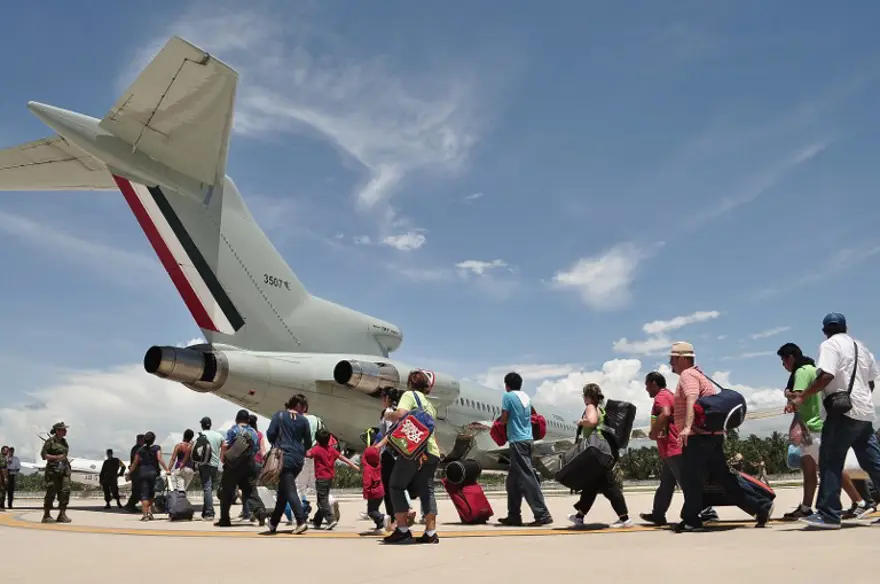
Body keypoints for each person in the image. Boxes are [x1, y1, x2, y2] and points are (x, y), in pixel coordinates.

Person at [670, 341, 773, 533]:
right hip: (712, 437)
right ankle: (761, 506)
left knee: (691, 478)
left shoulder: (688, 375)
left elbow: (692, 399)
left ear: (683, 359)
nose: (670, 363)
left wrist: (686, 428)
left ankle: (692, 520)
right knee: (725, 479)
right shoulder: (701, 375)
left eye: (673, 359)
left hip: (697, 437)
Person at [794, 313, 880, 529]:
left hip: (842, 413)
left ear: (825, 330)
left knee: (830, 461)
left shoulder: (829, 346)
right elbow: (870, 383)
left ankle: (828, 514)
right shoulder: (862, 348)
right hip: (865, 414)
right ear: (846, 328)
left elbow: (826, 376)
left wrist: (803, 396)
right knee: (873, 463)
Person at [381, 370, 442, 544]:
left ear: (410, 383)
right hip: (431, 451)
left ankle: (402, 530)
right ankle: (431, 533)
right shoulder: (429, 405)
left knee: (396, 485)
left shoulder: (409, 395)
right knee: (427, 490)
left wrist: (388, 414)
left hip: (415, 450)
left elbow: (401, 414)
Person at [569, 383, 632, 528]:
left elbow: (592, 421)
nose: (583, 399)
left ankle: (625, 519)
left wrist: (581, 421)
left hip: (596, 452)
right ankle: (579, 516)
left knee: (609, 486)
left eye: (584, 395)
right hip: (601, 451)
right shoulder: (601, 409)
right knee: (592, 485)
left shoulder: (590, 407)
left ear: (588, 396)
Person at [498, 371, 552, 527]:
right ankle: (513, 515)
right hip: (528, 440)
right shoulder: (527, 398)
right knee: (512, 481)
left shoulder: (508, 396)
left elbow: (505, 418)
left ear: (507, 385)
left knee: (528, 478)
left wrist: (499, 421)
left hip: (517, 441)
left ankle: (542, 514)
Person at [640, 372, 683, 525]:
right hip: (670, 448)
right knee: (666, 483)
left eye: (647, 385)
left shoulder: (661, 397)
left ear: (653, 383)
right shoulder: (670, 395)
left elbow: (665, 413)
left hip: (673, 447)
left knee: (685, 482)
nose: (646, 389)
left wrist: (653, 432)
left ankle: (706, 512)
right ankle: (658, 514)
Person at [266, 396, 313, 533]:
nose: (305, 410)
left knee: (290, 490)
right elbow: (308, 442)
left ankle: (301, 520)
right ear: (298, 405)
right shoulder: (303, 420)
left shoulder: (279, 416)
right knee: (283, 491)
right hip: (298, 459)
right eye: (304, 406)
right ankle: (274, 522)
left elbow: (270, 434)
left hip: (283, 457)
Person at [306, 428, 358, 529]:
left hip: (321, 478)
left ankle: (331, 519)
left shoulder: (317, 449)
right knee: (321, 500)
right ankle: (317, 521)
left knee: (322, 501)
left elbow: (308, 455)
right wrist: (353, 465)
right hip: (329, 478)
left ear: (317, 440)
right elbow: (341, 457)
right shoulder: (331, 449)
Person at [217, 410, 260, 527]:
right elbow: (257, 448)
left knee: (227, 491)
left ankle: (224, 519)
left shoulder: (233, 430)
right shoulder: (254, 432)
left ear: (236, 419)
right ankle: (260, 512)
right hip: (250, 463)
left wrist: (224, 457)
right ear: (248, 420)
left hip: (234, 464)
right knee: (250, 490)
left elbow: (226, 445)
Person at [126, 431, 170, 521]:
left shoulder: (139, 450)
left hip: (142, 473)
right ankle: (150, 513)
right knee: (151, 494)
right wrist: (167, 469)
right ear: (153, 440)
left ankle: (145, 515)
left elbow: (135, 463)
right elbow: (160, 459)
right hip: (153, 473)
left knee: (144, 495)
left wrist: (129, 473)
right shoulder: (157, 448)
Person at [41, 422, 73, 524]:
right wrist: (56, 458)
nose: (65, 431)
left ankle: (62, 514)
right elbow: (44, 455)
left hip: (64, 470)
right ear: (57, 431)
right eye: (63, 429)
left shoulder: (64, 442)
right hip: (53, 471)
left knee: (65, 490)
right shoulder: (50, 442)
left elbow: (65, 454)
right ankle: (46, 515)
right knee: (51, 491)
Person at [194, 417, 224, 521]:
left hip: (203, 464)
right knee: (210, 488)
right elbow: (224, 446)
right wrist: (221, 457)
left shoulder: (198, 435)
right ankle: (206, 511)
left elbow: (193, 449)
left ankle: (209, 513)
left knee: (207, 488)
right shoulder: (218, 435)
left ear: (202, 425)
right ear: (210, 424)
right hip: (214, 464)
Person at [240, 414, 268, 525]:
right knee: (253, 488)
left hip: (247, 463)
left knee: (246, 489)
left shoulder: (244, 433)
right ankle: (254, 512)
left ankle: (249, 512)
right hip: (258, 463)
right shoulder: (259, 434)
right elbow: (263, 450)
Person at [362, 444, 386, 532]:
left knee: (371, 511)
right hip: (381, 492)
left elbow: (367, 483)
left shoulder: (367, 470)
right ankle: (379, 525)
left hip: (373, 493)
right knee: (375, 509)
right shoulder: (378, 465)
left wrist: (366, 493)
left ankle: (382, 517)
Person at [123, 434, 145, 512]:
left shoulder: (137, 448)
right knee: (137, 489)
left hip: (138, 471)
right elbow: (136, 461)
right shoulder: (137, 449)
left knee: (139, 489)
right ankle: (130, 505)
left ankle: (131, 505)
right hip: (137, 472)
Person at [0, 446, 7, 512]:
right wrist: (5, 478)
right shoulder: (2, 458)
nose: (7, 452)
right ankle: (1, 506)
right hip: (1, 478)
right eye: (6, 451)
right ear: (2, 451)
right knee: (2, 491)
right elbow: (3, 468)